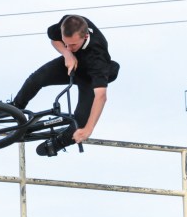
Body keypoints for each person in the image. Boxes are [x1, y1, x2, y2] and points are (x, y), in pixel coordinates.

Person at [8, 14, 120, 156]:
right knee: (37, 78)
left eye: (73, 45)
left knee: (80, 124)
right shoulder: (67, 23)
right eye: (66, 43)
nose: (69, 46)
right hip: (73, 63)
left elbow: (101, 96)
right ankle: (14, 107)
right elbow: (54, 39)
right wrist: (67, 54)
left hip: (90, 78)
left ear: (85, 36)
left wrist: (89, 129)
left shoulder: (98, 56)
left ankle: (58, 143)